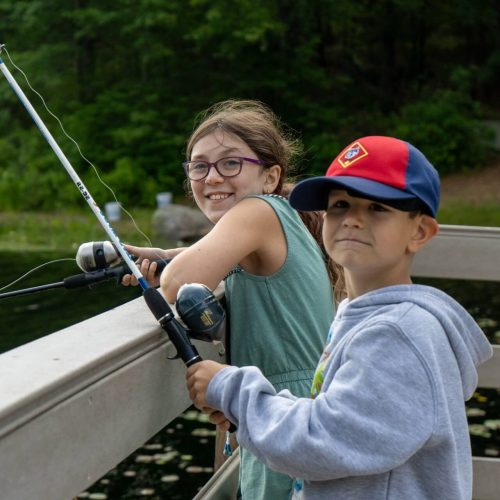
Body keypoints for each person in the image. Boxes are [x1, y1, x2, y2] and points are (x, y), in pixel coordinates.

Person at [186, 135, 493, 500]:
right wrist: (257, 409)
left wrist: (232, 391)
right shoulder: (361, 312)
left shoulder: (399, 332)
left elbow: (326, 442)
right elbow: (340, 415)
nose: (352, 220)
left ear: (420, 231)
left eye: (377, 208)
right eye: (340, 205)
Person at [122, 100, 340, 499]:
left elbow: (176, 284)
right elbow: (206, 262)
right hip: (294, 412)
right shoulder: (280, 216)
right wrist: (166, 256)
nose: (212, 177)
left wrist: (168, 269)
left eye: (230, 164)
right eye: (199, 166)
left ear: (270, 176)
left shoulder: (256, 210)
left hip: (281, 419)